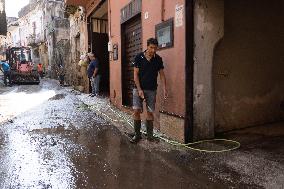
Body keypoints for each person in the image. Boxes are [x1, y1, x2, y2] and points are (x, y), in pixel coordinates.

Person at [130, 38, 167, 143]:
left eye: (155, 48)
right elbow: (135, 75)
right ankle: (137, 135)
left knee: (150, 112)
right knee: (136, 111)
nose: (153, 50)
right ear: (147, 46)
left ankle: (150, 136)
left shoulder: (158, 59)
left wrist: (164, 88)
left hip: (151, 90)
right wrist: (139, 89)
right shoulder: (139, 57)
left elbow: (162, 75)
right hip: (138, 89)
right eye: (151, 48)